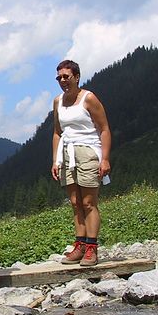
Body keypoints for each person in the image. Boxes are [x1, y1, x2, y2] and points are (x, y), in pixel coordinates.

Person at [51, 59, 111, 266]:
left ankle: (92, 248)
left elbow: (103, 128)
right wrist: (55, 160)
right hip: (67, 153)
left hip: (88, 151)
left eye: (66, 76)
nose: (62, 80)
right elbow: (58, 132)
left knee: (88, 202)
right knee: (76, 203)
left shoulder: (89, 98)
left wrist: (104, 158)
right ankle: (80, 245)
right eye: (59, 77)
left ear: (76, 77)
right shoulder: (58, 101)